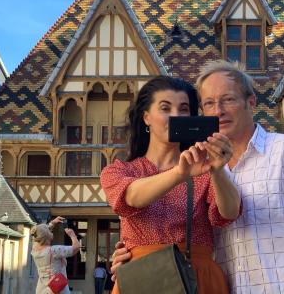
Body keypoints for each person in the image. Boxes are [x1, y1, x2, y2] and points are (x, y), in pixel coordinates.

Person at [110, 61, 284, 293]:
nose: (218, 110)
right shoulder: (185, 166)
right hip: (192, 282)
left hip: (281, 286)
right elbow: (131, 198)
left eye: (228, 99)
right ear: (146, 116)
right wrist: (133, 254)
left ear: (250, 102)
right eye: (209, 103)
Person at [100, 76, 241, 294]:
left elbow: (229, 212)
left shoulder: (204, 169)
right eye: (165, 108)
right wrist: (179, 173)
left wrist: (218, 169)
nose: (176, 116)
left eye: (184, 109)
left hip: (197, 276)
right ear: (146, 117)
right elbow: (132, 197)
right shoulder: (120, 171)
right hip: (143, 276)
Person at [30, 216, 80, 294]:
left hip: (42, 289)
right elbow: (76, 248)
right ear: (48, 236)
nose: (51, 232)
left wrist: (52, 223)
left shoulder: (34, 249)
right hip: (58, 288)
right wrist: (72, 235)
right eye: (50, 232)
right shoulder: (54, 251)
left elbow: (40, 234)